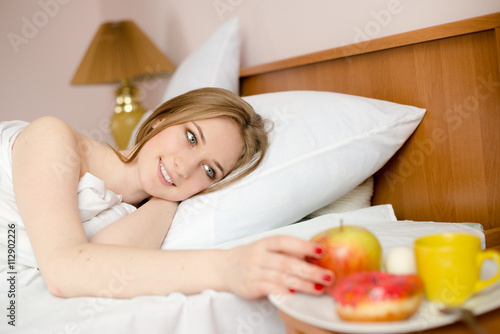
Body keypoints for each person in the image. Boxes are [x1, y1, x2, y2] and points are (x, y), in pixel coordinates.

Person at [7, 87, 333, 299]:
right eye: (191, 137)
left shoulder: (140, 214)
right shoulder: (52, 137)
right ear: (161, 118)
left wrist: (167, 199)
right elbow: (66, 271)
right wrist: (227, 267)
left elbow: (94, 276)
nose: (184, 168)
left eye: (209, 171)